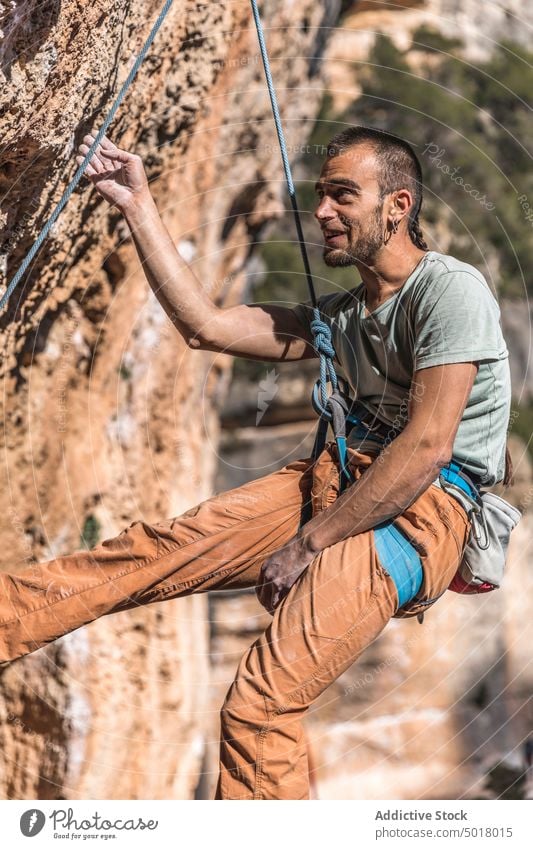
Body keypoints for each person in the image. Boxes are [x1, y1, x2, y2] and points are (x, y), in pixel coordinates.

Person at [0, 126, 511, 800]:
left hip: (418, 512)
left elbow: (425, 446)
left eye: (341, 195)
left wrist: (308, 544)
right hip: (336, 479)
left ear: (398, 205)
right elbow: (205, 327)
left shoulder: (449, 289)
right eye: (319, 196)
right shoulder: (341, 313)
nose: (321, 211)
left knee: (260, 704)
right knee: (151, 551)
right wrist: (136, 204)